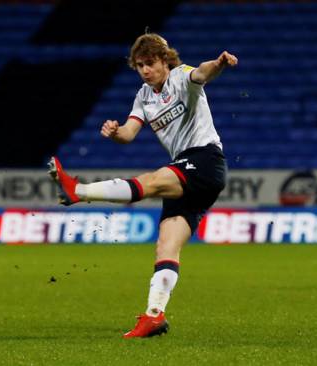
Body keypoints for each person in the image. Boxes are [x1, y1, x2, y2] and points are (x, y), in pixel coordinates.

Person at [48, 33, 237, 338]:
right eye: (139, 65)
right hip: (187, 171)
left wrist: (219, 63)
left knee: (152, 181)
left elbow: (203, 73)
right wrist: (115, 132)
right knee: (166, 246)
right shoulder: (144, 96)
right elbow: (129, 133)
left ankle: (78, 191)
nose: (145, 70)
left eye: (150, 63)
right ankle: (154, 315)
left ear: (165, 60)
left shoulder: (181, 77)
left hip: (204, 160)